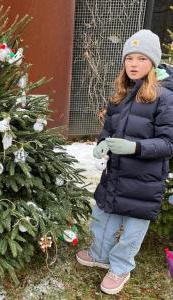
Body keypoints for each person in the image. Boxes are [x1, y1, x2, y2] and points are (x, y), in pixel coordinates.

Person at [76, 29, 173, 295]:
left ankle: (120, 267)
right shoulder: (121, 93)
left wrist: (136, 147)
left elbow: (169, 143)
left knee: (132, 227)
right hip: (116, 173)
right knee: (103, 215)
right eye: (130, 58)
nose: (134, 64)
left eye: (141, 59)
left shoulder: (164, 97)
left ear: (152, 63)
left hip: (144, 179)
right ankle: (99, 254)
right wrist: (101, 146)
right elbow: (108, 129)